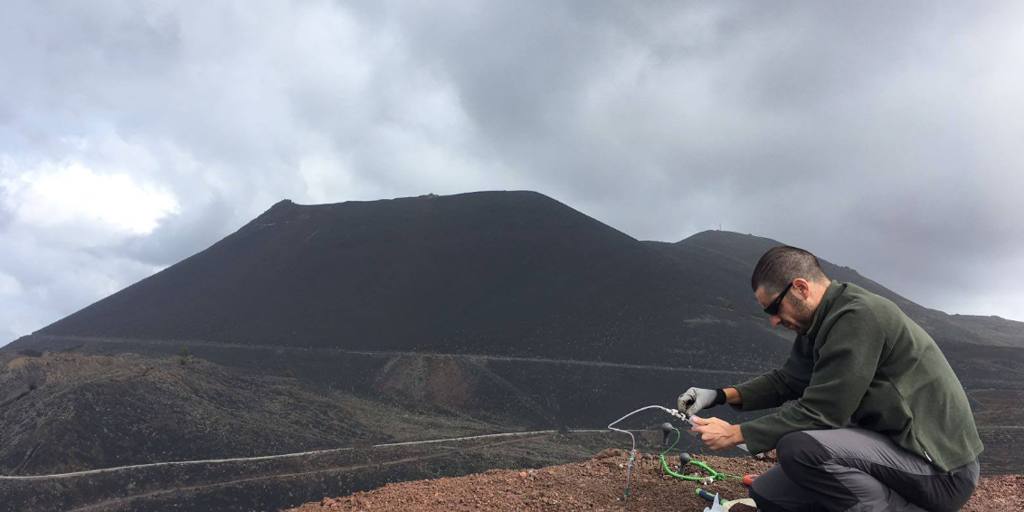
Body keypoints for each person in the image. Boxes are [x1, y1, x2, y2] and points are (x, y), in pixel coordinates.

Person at [678, 246, 982, 512]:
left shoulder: (858, 316)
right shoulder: (820, 323)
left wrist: (735, 433)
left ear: (800, 288)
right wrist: (717, 395)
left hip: (940, 471)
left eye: (773, 308)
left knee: (798, 449)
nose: (773, 321)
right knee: (769, 493)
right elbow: (787, 381)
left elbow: (822, 412)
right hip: (892, 450)